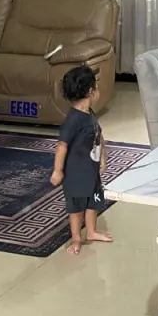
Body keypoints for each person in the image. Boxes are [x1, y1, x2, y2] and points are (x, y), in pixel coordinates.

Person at [50, 64, 113, 254]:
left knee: (93, 202)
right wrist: (58, 171)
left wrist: (103, 156)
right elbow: (62, 146)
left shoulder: (89, 113)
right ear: (91, 92)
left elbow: (98, 134)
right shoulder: (72, 120)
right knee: (76, 209)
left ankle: (91, 231)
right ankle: (76, 238)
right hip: (75, 174)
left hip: (90, 171)